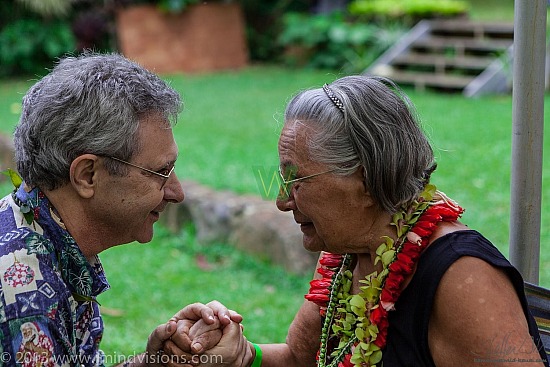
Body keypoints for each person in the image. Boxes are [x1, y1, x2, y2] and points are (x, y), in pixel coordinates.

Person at [162, 75, 549, 367]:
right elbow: (301, 360)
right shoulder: (350, 252)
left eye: (297, 179)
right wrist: (242, 354)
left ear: (365, 179)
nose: (282, 201)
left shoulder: (461, 277)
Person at [0, 52, 239, 367]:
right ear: (88, 175)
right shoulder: (26, 292)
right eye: (160, 171)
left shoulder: (38, 227)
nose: (176, 192)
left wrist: (155, 362)